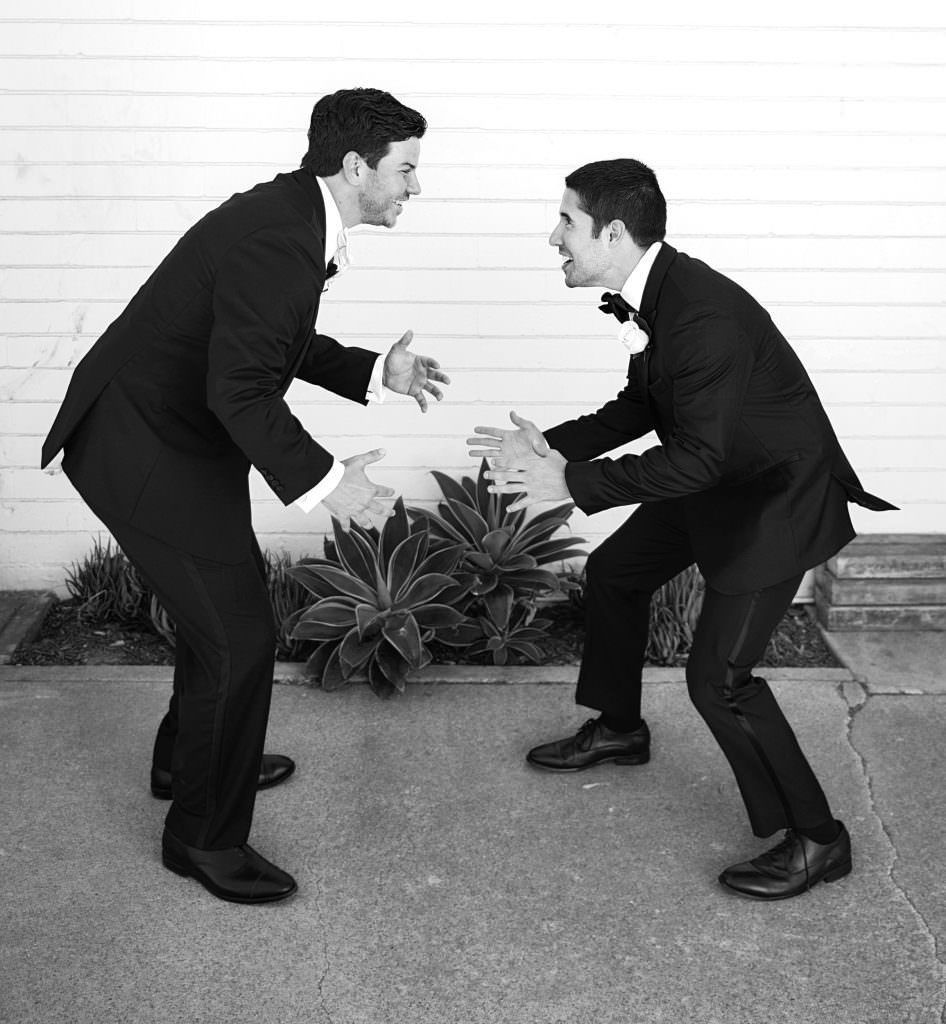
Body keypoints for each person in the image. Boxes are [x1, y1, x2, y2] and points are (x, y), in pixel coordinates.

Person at [41, 88, 449, 904]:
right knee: (238, 636)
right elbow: (241, 389)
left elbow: (267, 336)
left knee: (220, 619)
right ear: (356, 166)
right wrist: (331, 483)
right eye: (406, 170)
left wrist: (375, 371)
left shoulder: (293, 217)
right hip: (144, 448)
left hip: (176, 436)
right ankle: (203, 838)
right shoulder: (281, 237)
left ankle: (186, 764)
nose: (415, 186)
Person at [469, 158, 895, 901]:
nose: (553, 237)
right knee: (615, 574)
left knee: (719, 682)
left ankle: (820, 839)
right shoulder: (657, 294)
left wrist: (572, 485)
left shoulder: (702, 315)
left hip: (773, 502)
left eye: (565, 221)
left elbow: (697, 458)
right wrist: (553, 448)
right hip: (712, 479)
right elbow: (643, 406)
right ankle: (621, 728)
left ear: (613, 232)